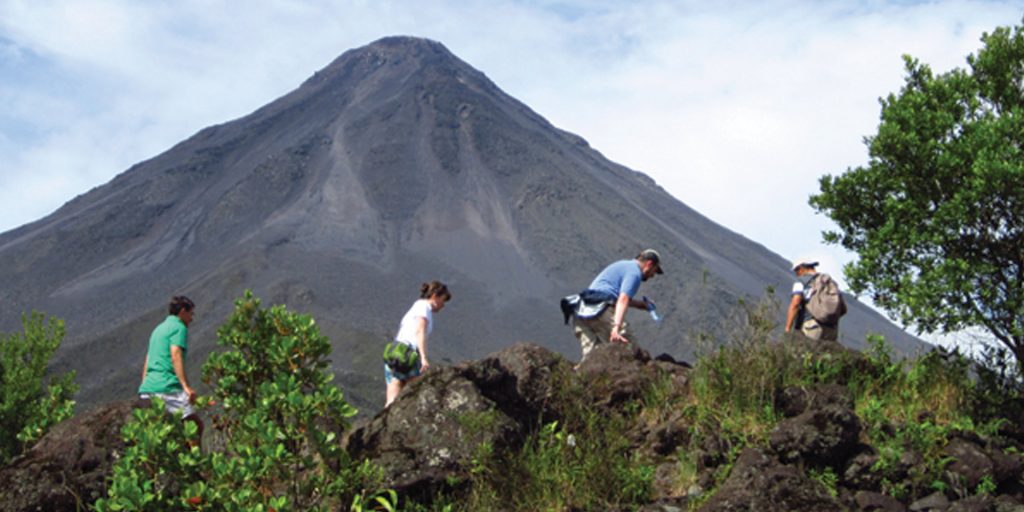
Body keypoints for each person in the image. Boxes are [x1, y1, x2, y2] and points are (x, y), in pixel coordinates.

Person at [570, 249, 663, 360]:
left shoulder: (623, 265)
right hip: (600, 309)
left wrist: (640, 305)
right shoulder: (634, 273)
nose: (653, 275)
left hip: (580, 310)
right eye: (655, 271)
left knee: (592, 358)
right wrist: (616, 327)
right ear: (649, 264)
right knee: (631, 351)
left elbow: (615, 297)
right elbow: (623, 299)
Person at [139, 295, 203, 441]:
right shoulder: (179, 327)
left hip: (149, 388)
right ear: (182, 312)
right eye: (191, 314)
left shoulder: (158, 329)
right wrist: (186, 386)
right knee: (195, 426)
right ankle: (194, 461)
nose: (191, 319)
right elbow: (175, 354)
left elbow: (148, 359)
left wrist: (145, 385)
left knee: (161, 433)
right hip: (168, 387)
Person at [384, 280, 451, 407]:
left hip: (393, 351)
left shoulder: (416, 306)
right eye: (443, 300)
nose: (443, 305)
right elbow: (420, 331)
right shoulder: (423, 307)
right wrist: (423, 357)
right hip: (407, 353)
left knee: (392, 397)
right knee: (419, 391)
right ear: (434, 296)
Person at [785, 259, 839, 341]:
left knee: (807, 353)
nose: (796, 274)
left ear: (801, 268)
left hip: (811, 326)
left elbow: (795, 304)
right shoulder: (828, 283)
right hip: (832, 328)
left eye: (796, 270)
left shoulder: (801, 282)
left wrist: (787, 328)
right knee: (824, 353)